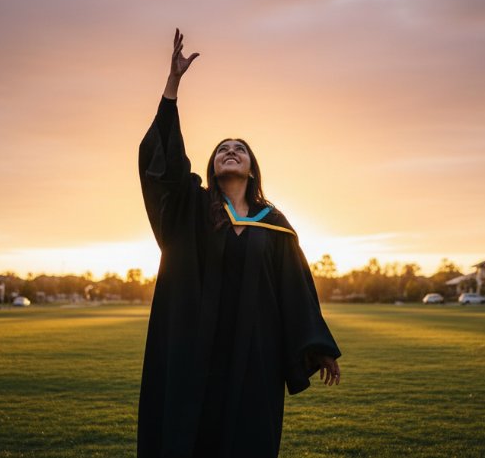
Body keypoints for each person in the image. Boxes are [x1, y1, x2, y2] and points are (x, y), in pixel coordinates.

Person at [137, 29, 342, 458]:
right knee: (192, 437)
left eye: (240, 149)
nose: (230, 151)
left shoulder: (275, 225)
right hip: (196, 352)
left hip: (254, 355)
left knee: (247, 439)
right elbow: (164, 171)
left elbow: (296, 288)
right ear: (213, 166)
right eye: (223, 149)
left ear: (251, 169)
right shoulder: (192, 210)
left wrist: (318, 346)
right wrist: (173, 86)